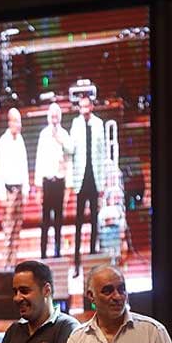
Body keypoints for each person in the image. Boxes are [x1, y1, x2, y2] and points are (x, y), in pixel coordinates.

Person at [69, 95, 106, 277]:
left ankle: (92, 255)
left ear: (91, 107)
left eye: (86, 106)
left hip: (94, 178)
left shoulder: (99, 124)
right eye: (81, 107)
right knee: (79, 221)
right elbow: (71, 150)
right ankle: (77, 262)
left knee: (94, 220)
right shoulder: (75, 124)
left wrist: (103, 182)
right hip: (80, 179)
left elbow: (102, 152)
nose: (84, 110)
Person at [34, 102, 73, 260]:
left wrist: (68, 188)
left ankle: (57, 252)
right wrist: (38, 188)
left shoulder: (64, 134)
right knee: (45, 221)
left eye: (57, 115)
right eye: (52, 115)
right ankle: (43, 253)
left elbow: (70, 157)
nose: (54, 118)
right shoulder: (43, 134)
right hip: (47, 183)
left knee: (58, 221)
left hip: (59, 182)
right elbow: (39, 160)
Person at [0, 108, 30, 269]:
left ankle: (14, 261)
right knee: (8, 228)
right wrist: (1, 193)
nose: (19, 125)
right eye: (16, 121)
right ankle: (5, 264)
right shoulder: (3, 142)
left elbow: (24, 165)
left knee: (17, 228)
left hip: (20, 189)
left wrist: (26, 190)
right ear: (10, 122)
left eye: (20, 121)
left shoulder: (20, 140)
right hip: (9, 191)